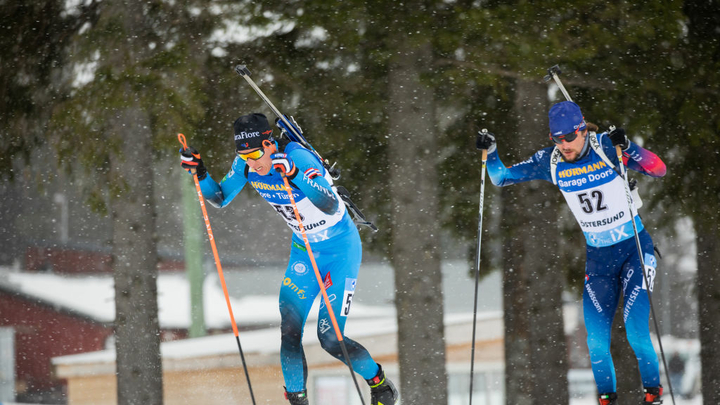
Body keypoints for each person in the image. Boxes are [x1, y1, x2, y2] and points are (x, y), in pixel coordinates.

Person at [180, 113, 398, 405]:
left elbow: (329, 202)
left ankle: (379, 384)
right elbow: (220, 197)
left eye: (256, 153)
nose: (252, 161)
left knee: (331, 339)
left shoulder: (300, 157)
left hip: (340, 251)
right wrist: (201, 173)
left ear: (270, 143)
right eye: (243, 154)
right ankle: (297, 399)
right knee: (290, 331)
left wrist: (295, 173)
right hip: (305, 253)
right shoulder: (246, 164)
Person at [476, 101, 667, 405]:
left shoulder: (607, 147)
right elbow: (500, 177)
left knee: (635, 331)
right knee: (596, 342)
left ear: (581, 130)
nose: (563, 145)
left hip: (634, 250)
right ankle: (607, 399)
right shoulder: (550, 161)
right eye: (556, 139)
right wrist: (492, 151)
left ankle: (653, 396)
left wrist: (629, 147)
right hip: (600, 259)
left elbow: (658, 168)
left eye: (568, 137)